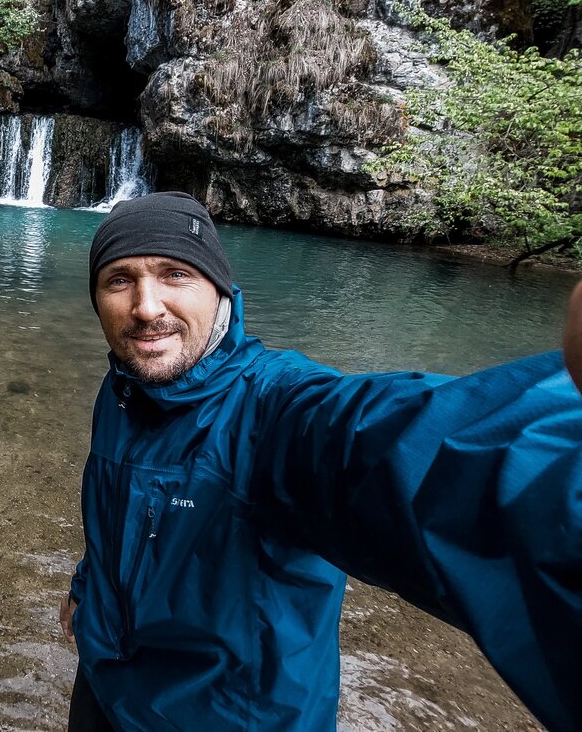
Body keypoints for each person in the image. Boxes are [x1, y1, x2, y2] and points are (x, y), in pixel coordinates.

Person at [59, 191, 582, 732]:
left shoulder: (277, 409)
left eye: (175, 274)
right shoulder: (126, 385)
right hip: (106, 684)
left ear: (220, 292)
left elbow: (415, 452)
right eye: (119, 279)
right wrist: (87, 588)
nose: (146, 307)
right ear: (97, 299)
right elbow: (119, 508)